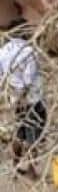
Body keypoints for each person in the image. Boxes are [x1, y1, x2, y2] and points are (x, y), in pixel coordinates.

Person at [1, 21, 44, 177]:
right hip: (31, 98)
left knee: (20, 130)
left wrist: (12, 96)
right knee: (33, 132)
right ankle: (32, 169)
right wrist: (23, 95)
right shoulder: (29, 51)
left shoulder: (3, 51)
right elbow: (28, 78)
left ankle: (15, 165)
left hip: (14, 97)